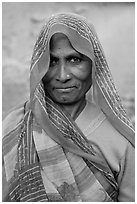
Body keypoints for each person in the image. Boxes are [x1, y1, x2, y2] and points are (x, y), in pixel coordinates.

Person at [2, 13, 135, 202]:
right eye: (52, 61)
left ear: (94, 64)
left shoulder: (121, 140)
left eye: (75, 60)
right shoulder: (13, 128)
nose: (63, 75)